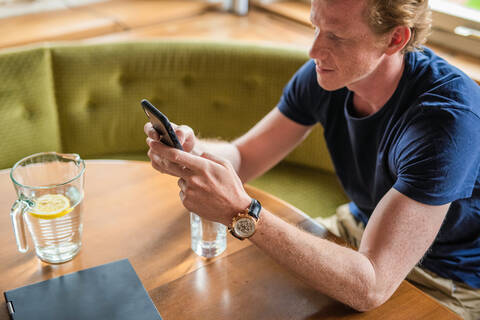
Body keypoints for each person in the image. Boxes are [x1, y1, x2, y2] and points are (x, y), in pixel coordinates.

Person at [144, 0, 480, 318]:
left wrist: (242, 212)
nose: (314, 50)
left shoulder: (447, 121)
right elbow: (244, 158)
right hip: (360, 228)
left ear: (394, 38)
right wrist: (189, 151)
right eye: (315, 27)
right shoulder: (331, 74)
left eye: (336, 35)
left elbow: (372, 285)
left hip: (450, 279)